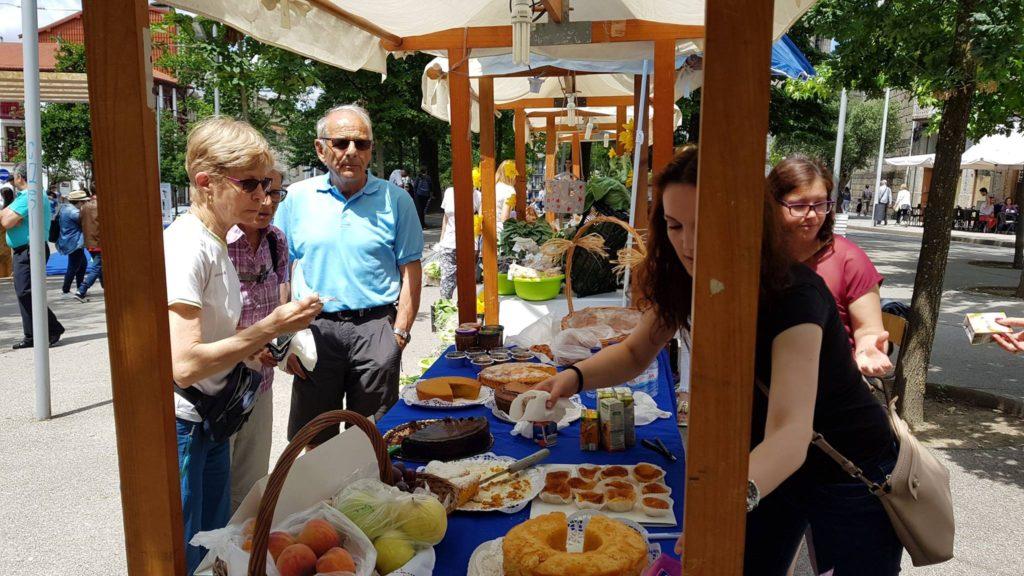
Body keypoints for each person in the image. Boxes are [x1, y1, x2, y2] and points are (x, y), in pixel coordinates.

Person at [536, 145, 903, 575]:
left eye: (704, 226)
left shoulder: (795, 294)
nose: (688, 244)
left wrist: (720, 509)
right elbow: (636, 351)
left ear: (744, 219)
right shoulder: (684, 279)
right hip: (766, 466)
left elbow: (790, 431)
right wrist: (573, 378)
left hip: (850, 465)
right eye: (674, 225)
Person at [165, 117, 322, 574]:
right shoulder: (188, 247)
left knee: (217, 539)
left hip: (211, 419)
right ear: (206, 183)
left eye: (269, 186)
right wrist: (270, 327)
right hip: (188, 421)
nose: (263, 196)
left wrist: (254, 349)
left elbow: (216, 338)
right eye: (250, 184)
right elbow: (184, 364)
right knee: (190, 548)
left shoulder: (214, 243)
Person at [275, 103, 423, 447]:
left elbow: (411, 272)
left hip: (375, 329)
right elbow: (281, 272)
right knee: (314, 438)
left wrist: (398, 335)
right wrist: (283, 341)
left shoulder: (396, 200)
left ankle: (371, 498)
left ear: (371, 150)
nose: (351, 153)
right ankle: (323, 501)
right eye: (341, 143)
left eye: (362, 144)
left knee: (372, 438)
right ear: (321, 148)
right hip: (315, 329)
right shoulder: (297, 199)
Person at [771, 156, 892, 378]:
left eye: (820, 204)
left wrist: (868, 349)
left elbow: (867, 330)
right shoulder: (756, 256)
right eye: (798, 205)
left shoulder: (850, 259)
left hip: (831, 388)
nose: (811, 215)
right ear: (772, 204)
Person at [225, 166, 291, 512]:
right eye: (258, 190)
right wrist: (252, 343)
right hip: (218, 385)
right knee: (215, 489)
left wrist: (284, 343)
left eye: (275, 193)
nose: (267, 201)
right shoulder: (217, 239)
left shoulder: (277, 240)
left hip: (260, 383)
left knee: (250, 487)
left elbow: (282, 298)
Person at [0, 162, 64, 349]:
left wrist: (8, 215)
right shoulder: (29, 195)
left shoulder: (29, 195)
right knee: (25, 293)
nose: (13, 182)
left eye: (14, 178)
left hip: (29, 250)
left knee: (26, 292)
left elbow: (6, 221)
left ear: (20, 177)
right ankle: (32, 335)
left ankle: (52, 328)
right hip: (26, 250)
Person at [437, 184, 481, 300]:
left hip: (469, 244)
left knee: (466, 280)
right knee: (446, 279)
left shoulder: (478, 196)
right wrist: (441, 239)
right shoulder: (449, 192)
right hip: (448, 242)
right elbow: (446, 217)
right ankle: (446, 308)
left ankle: (466, 311)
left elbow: (481, 221)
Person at [57, 186, 88, 298]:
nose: (85, 203)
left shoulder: (65, 208)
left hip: (69, 241)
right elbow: (85, 222)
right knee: (73, 267)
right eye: (84, 201)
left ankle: (80, 288)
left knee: (82, 264)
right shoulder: (74, 212)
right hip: (74, 243)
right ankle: (65, 290)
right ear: (79, 202)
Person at [74, 184, 102, 302]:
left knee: (100, 266)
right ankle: (81, 290)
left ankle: (106, 287)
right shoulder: (102, 205)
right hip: (100, 241)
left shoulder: (85, 206)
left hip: (89, 241)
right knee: (98, 267)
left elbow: (80, 221)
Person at [495, 159, 518, 234]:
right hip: (499, 233)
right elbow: (505, 218)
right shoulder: (510, 190)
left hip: (486, 233)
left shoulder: (492, 187)